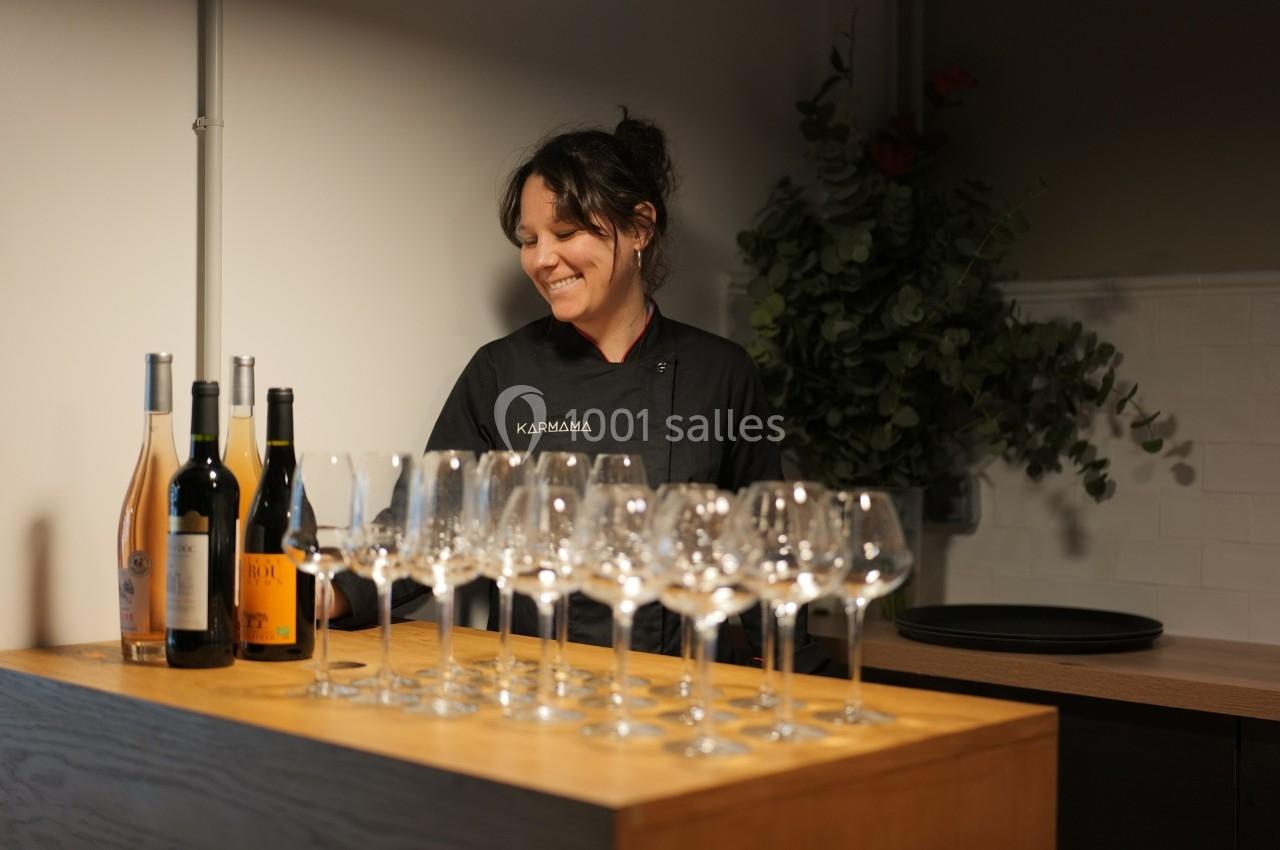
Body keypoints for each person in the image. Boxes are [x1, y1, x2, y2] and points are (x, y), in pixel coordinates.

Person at [330, 110, 829, 673]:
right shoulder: (502, 372)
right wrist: (326, 594)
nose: (542, 259)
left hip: (681, 700)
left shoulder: (720, 373)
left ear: (639, 228)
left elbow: (767, 548)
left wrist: (793, 678)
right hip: (533, 693)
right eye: (530, 239)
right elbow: (424, 526)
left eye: (565, 234)